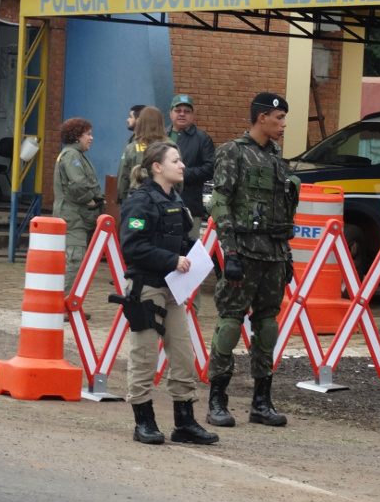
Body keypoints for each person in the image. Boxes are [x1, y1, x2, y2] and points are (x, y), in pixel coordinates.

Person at [205, 92, 299, 429]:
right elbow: (220, 202)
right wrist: (229, 252)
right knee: (230, 324)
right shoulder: (233, 152)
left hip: (273, 254)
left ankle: (262, 402)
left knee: (268, 326)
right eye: (279, 118)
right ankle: (217, 400)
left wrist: (286, 255)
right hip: (242, 250)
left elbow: (281, 212)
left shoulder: (276, 158)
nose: (283, 124)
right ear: (262, 117)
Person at [119, 140, 218, 446]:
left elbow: (180, 239)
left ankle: (185, 422)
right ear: (156, 167)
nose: (182, 165)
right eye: (176, 160)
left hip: (172, 288)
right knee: (145, 354)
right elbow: (132, 246)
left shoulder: (175, 199)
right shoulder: (140, 202)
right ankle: (144, 421)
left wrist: (197, 256)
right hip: (147, 287)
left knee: (183, 354)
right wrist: (171, 260)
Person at [52, 117, 105, 295]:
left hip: (77, 217)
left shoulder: (75, 155)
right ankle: (63, 304)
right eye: (87, 134)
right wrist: (91, 202)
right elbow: (78, 184)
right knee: (74, 260)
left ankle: (69, 303)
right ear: (76, 136)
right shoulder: (72, 155)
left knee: (76, 261)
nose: (91, 138)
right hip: (74, 217)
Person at [168, 94, 215, 239]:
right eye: (178, 110)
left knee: (189, 253)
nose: (182, 114)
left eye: (187, 111)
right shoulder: (162, 135)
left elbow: (209, 169)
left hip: (189, 206)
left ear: (192, 115)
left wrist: (181, 174)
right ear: (171, 113)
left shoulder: (202, 139)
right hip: (162, 204)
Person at [116, 106, 167, 203]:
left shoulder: (132, 148)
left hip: (137, 201)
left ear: (140, 120)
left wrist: (125, 200)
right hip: (165, 201)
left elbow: (123, 178)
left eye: (130, 117)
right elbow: (179, 180)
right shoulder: (171, 147)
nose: (127, 119)